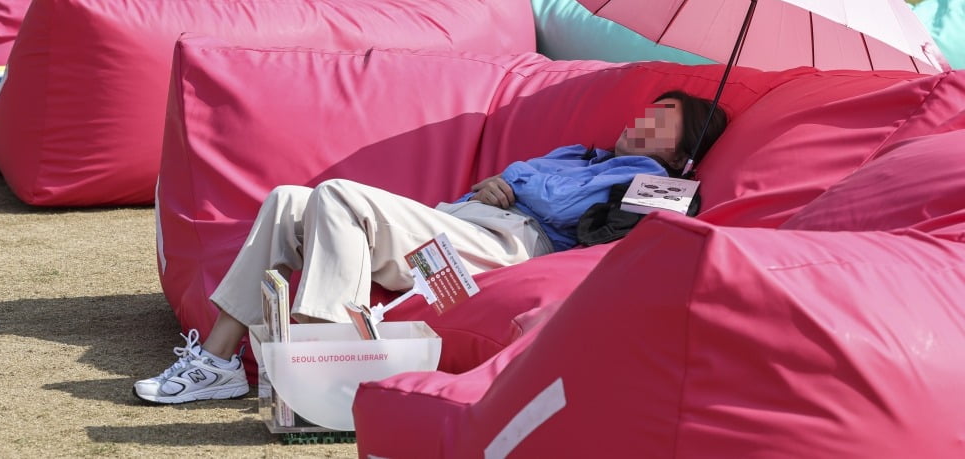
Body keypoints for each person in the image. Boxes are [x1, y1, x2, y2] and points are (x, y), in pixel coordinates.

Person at [132, 91, 729, 404]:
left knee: (337, 194)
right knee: (289, 198)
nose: (647, 119)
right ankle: (217, 362)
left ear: (682, 149)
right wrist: (488, 187)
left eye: (667, 119)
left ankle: (326, 363)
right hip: (459, 225)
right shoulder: (576, 154)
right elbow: (502, 192)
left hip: (511, 247)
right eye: (651, 108)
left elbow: (612, 240)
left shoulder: (660, 185)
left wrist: (664, 186)